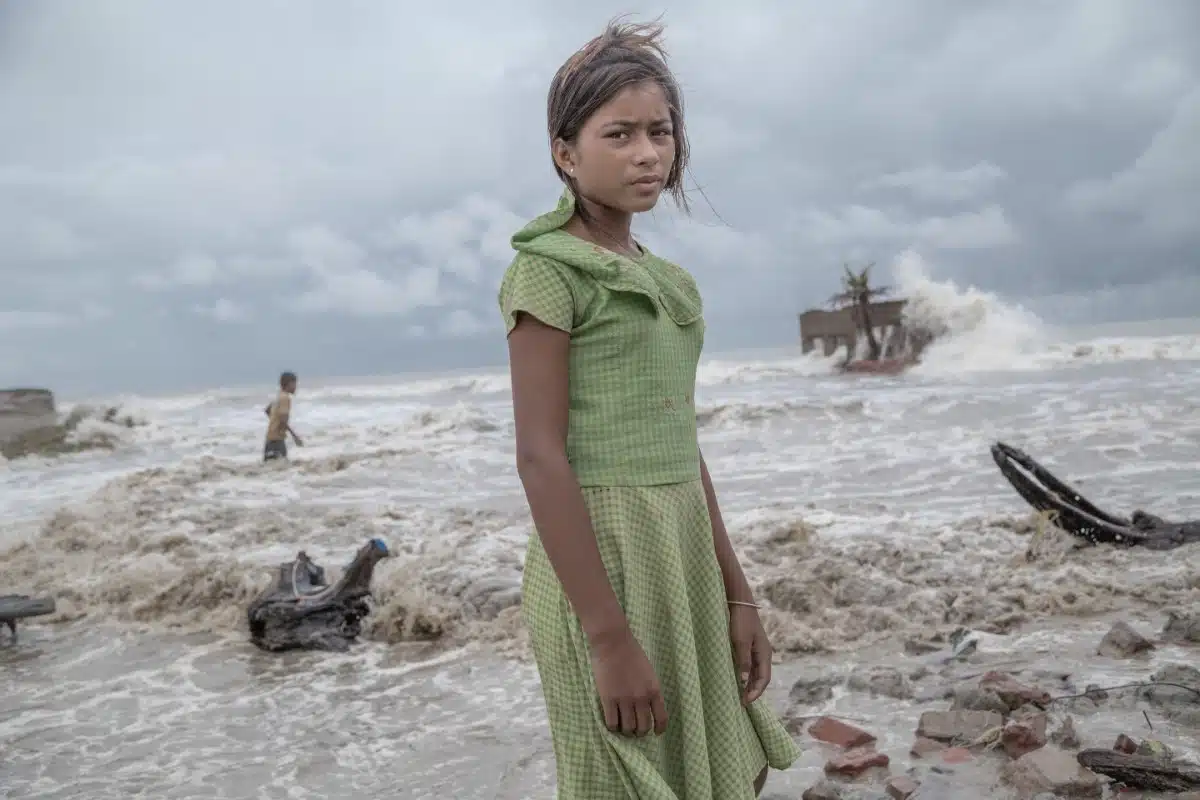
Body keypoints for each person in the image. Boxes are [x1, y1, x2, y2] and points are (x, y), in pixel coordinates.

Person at [498, 17, 798, 799]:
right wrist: (607, 638)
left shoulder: (672, 285)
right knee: (622, 777)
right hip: (602, 564)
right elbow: (540, 456)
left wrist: (737, 591)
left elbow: (681, 444)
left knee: (719, 765)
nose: (647, 153)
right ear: (566, 153)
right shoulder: (548, 276)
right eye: (619, 134)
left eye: (660, 132)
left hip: (682, 554)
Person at [263, 371, 303, 461]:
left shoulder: (278, 396)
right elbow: (283, 420)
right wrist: (295, 437)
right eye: (294, 384)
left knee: (271, 471)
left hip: (269, 440)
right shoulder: (285, 398)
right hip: (277, 441)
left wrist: (274, 422)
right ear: (289, 384)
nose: (296, 387)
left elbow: (268, 410)